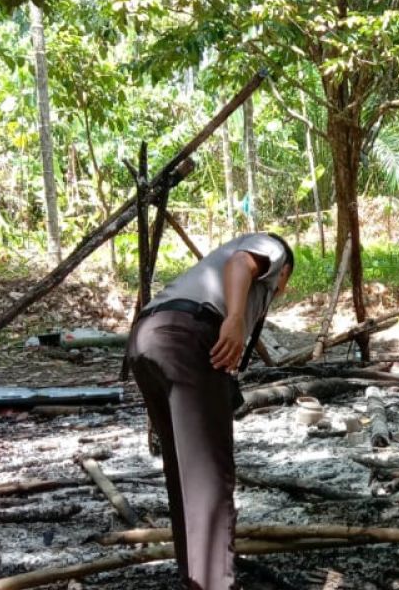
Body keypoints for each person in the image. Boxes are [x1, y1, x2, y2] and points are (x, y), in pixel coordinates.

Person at [127, 232, 293, 590]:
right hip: (187, 336)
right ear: (284, 273)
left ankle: (197, 577)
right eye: (285, 283)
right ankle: (216, 583)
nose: (282, 292)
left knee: (184, 473)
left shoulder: (207, 269)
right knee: (210, 478)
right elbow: (242, 264)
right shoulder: (273, 249)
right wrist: (234, 318)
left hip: (144, 340)